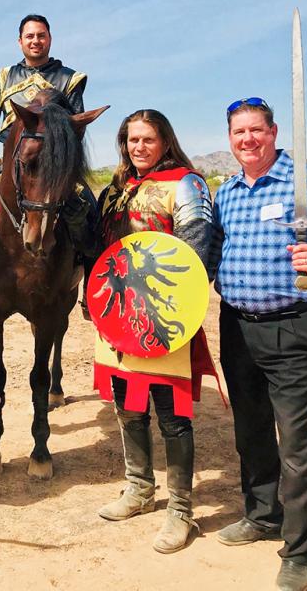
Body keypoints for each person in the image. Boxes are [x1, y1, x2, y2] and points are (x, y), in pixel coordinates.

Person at [210, 98, 307, 591]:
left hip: (295, 328)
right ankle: (262, 515)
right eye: (239, 132)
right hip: (237, 327)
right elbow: (215, 250)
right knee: (251, 430)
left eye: (256, 130)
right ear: (229, 138)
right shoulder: (226, 192)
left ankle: (299, 551)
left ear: (274, 131)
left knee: (295, 444)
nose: (247, 140)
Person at [92, 110, 218, 553]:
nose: (138, 148)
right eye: (131, 140)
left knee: (172, 415)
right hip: (118, 315)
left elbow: (200, 247)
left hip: (164, 316)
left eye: (147, 139)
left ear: (165, 140)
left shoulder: (187, 183)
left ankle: (181, 511)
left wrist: (179, 308)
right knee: (127, 407)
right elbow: (100, 247)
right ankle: (139, 489)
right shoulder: (116, 188)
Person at [0, 13, 94, 316]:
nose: (35, 40)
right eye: (29, 36)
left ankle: (91, 293)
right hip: (11, 163)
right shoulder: (5, 77)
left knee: (91, 214)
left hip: (54, 166)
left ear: (50, 39)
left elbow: (77, 127)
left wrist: (65, 166)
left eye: (41, 35)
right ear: (20, 42)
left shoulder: (69, 78)